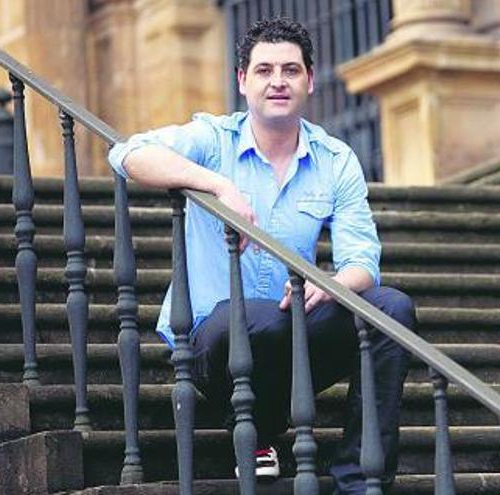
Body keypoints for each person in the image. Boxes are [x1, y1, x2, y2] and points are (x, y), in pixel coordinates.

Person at [107, 17, 415, 495]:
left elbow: (362, 261)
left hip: (291, 329)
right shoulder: (213, 140)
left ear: (310, 80)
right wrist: (218, 186)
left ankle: (359, 476)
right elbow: (128, 154)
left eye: (291, 70)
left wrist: (335, 284)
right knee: (257, 321)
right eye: (264, 70)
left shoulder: (335, 160)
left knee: (392, 308)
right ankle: (256, 433)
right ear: (242, 81)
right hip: (214, 340)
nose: (278, 81)